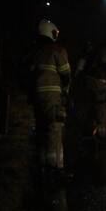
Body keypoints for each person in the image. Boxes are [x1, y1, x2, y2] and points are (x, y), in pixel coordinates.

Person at [27, 19, 71, 176]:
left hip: (37, 98)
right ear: (50, 32)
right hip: (53, 98)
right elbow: (66, 75)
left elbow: (26, 76)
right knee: (55, 129)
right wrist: (65, 93)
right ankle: (56, 169)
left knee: (42, 130)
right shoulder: (57, 51)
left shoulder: (33, 53)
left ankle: (43, 167)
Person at [75, 27, 106, 140]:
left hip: (92, 83)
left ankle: (89, 135)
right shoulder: (105, 51)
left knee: (93, 110)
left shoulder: (103, 49)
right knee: (101, 110)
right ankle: (102, 137)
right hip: (96, 84)